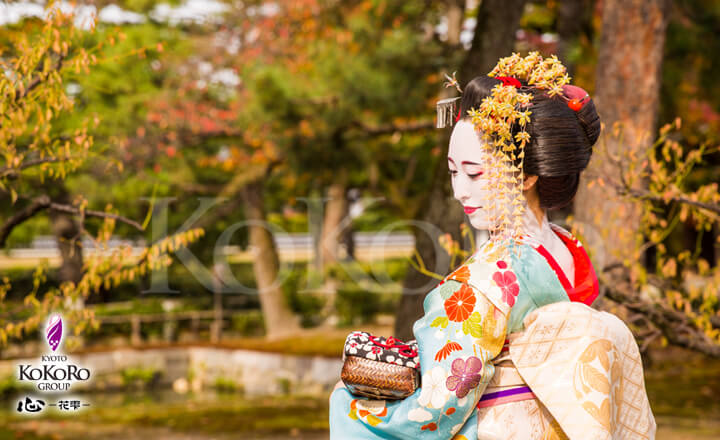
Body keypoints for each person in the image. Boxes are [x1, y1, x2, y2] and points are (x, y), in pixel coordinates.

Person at [328, 53, 656, 440]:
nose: (459, 190)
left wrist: (355, 406)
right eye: (453, 171)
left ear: (529, 174)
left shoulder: (486, 279)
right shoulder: (568, 249)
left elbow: (439, 405)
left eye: (475, 173)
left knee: (346, 402)